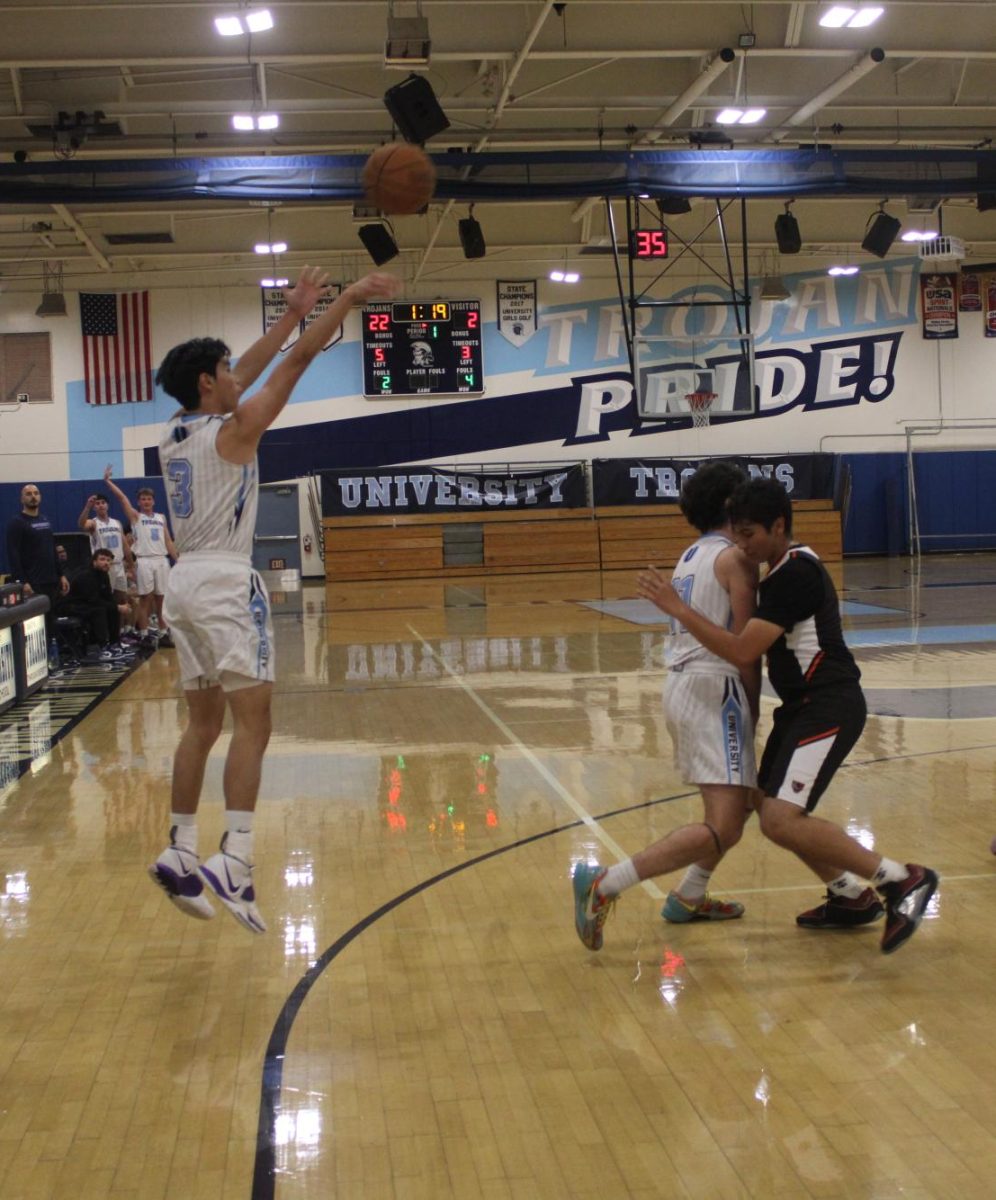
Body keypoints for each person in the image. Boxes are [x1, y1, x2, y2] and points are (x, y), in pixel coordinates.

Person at [148, 264, 399, 934]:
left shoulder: (173, 432)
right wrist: (344, 300)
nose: (239, 379)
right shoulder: (236, 433)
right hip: (227, 582)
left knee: (202, 725)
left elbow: (255, 368)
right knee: (253, 723)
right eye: (228, 373)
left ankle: (178, 847)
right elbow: (293, 367)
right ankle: (234, 857)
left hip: (183, 585)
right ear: (209, 384)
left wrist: (289, 314)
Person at [623, 476, 938, 956]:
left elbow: (742, 649)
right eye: (738, 534)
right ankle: (849, 897)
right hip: (801, 708)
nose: (743, 545)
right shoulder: (775, 572)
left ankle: (900, 878)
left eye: (750, 535)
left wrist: (677, 609)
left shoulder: (795, 573)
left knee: (780, 820)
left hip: (829, 704)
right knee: (766, 806)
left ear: (778, 526)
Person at [572, 462, 759, 951]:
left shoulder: (690, 555)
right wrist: (753, 712)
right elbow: (746, 646)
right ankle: (606, 883)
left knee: (735, 811)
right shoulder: (736, 559)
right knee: (722, 824)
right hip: (714, 688)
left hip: (682, 686)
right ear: (731, 505)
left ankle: (689, 895)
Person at [102, 468, 177, 647]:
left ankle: (164, 633)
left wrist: (178, 559)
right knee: (145, 599)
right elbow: (122, 498)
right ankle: (144, 635)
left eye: (149, 499)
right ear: (139, 502)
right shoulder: (136, 517)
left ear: (153, 501)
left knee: (162, 600)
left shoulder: (161, 517)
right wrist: (108, 482)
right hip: (144, 560)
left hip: (161, 560)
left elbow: (168, 540)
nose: (146, 501)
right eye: (143, 499)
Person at [5, 483, 70, 635]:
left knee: (50, 622)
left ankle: (52, 654)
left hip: (51, 580)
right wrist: (22, 581)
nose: (33, 496)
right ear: (22, 499)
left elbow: (52, 549)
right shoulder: (17, 523)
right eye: (28, 494)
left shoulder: (45, 520)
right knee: (35, 625)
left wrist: (61, 574)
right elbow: (13, 554)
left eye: (36, 493)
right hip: (34, 582)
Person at [78, 487, 138, 636]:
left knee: (122, 600)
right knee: (107, 602)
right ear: (95, 507)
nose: (100, 505)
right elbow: (81, 524)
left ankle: (120, 633)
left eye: (103, 502)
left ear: (108, 505)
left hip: (118, 566)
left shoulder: (116, 523)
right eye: (97, 503)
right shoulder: (93, 523)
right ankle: (108, 636)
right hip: (104, 568)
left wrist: (131, 567)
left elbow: (125, 546)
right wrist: (87, 507)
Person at [62, 549, 132, 654]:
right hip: (73, 606)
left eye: (108, 560)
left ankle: (114, 643)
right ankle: (101, 646)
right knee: (99, 611)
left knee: (113, 608)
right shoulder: (86, 575)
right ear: (94, 561)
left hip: (89, 604)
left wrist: (118, 607)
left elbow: (108, 597)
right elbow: (93, 600)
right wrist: (117, 607)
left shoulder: (104, 575)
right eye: (102, 559)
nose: (106, 563)